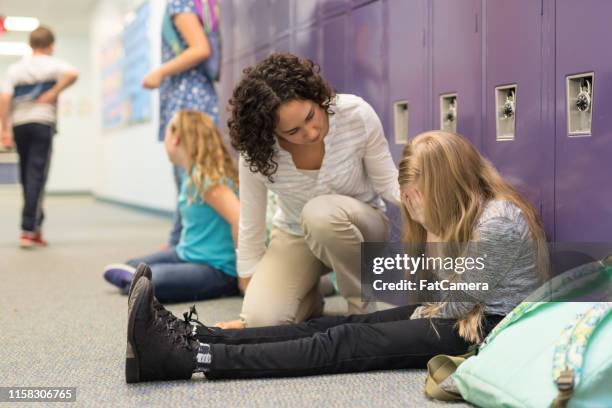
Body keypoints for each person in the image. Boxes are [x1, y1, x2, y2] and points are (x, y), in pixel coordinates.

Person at [123, 130, 549, 382]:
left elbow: (456, 302)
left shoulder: (498, 221)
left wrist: (432, 227)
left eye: (421, 198)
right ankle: (198, 337)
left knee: (344, 341)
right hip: (461, 316)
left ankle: (193, 358)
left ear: (447, 186)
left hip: (489, 331)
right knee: (337, 323)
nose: (414, 207)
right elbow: (446, 296)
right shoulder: (472, 213)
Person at [219, 52, 401, 328]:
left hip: (362, 227)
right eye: (293, 131)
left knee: (320, 213)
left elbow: (388, 182)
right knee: (261, 321)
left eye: (310, 116)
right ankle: (312, 297)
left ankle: (362, 313)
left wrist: (430, 205)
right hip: (295, 233)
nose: (311, 132)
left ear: (315, 97)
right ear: (271, 133)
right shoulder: (257, 153)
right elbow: (251, 221)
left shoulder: (355, 114)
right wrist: (249, 278)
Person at [104, 110, 239, 303]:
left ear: (175, 138)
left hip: (217, 268)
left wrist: (245, 276)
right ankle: (136, 281)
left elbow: (240, 220)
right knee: (132, 267)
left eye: (166, 133)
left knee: (150, 281)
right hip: (187, 253)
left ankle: (226, 284)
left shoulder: (208, 179)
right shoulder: (191, 174)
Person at [143, 0, 221, 249]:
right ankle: (179, 241)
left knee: (190, 178)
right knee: (189, 178)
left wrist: (159, 72)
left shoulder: (179, 3)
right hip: (195, 98)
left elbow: (200, 48)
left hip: (188, 99)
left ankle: (181, 243)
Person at [0, 25, 79, 248]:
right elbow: (74, 73)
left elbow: (4, 99)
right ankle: (28, 229)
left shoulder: (15, 68)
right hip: (42, 123)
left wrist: (4, 130)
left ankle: (35, 228)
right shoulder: (53, 64)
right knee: (37, 175)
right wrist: (54, 92)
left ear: (30, 44)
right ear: (51, 46)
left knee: (27, 176)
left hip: (19, 125)